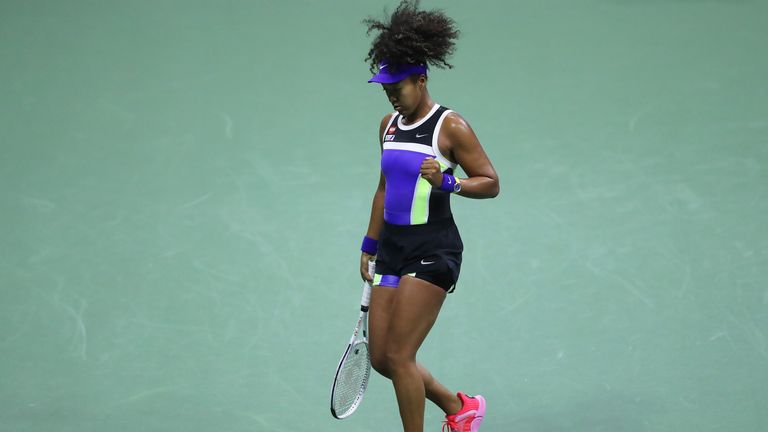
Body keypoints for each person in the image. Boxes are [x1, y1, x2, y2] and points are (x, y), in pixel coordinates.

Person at [358, 1, 500, 431]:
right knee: (383, 358)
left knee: (400, 355)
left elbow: (490, 182)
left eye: (397, 87)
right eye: (386, 88)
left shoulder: (450, 127)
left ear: (420, 81)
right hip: (393, 249)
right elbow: (383, 189)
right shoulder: (387, 125)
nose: (391, 95)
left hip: (434, 249)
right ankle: (459, 407)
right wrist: (369, 245)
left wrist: (449, 183)